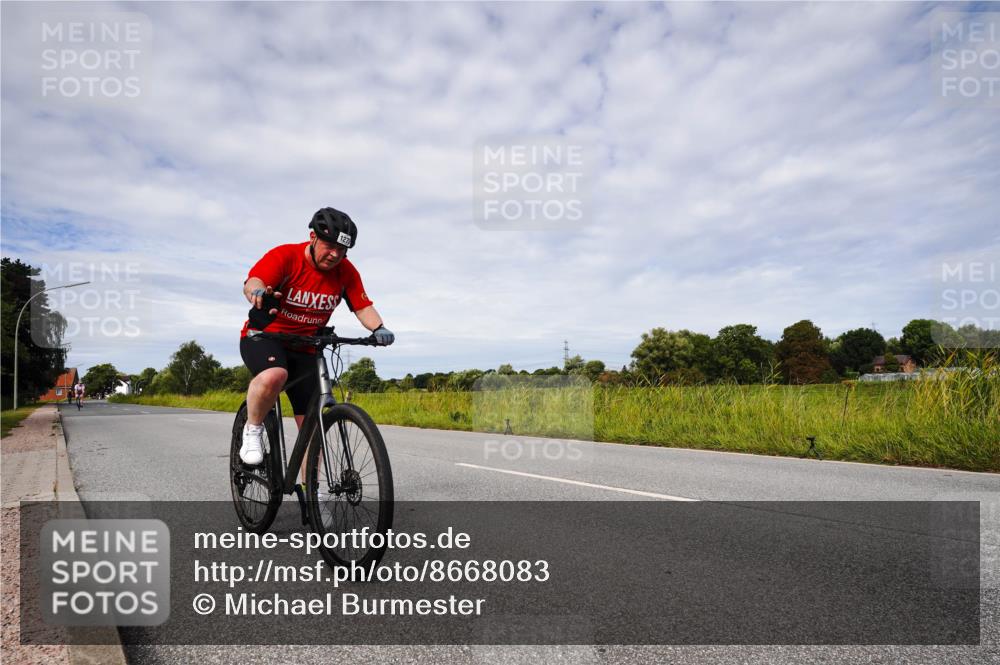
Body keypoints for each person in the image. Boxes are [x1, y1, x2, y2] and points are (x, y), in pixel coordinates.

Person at [238, 207, 394, 465]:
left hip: (307, 347)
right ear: (313, 237)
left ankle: (314, 497)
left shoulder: (346, 272)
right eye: (329, 246)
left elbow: (362, 306)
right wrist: (257, 293)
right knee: (275, 375)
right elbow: (254, 281)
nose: (335, 255)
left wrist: (378, 328)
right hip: (266, 338)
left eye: (342, 250)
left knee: (313, 429)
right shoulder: (285, 256)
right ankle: (253, 429)